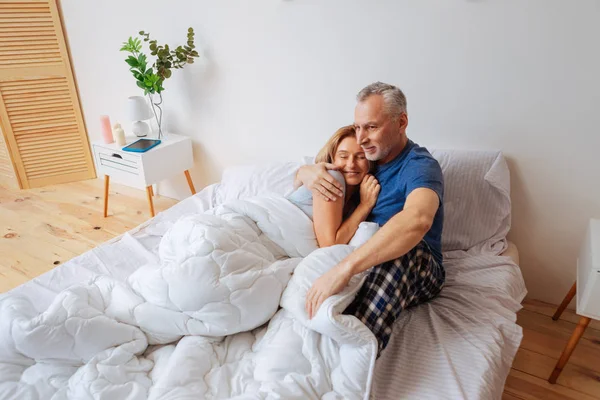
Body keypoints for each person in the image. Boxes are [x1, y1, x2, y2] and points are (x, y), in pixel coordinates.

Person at [298, 82, 446, 356]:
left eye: (372, 127)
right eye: (358, 127)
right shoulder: (366, 159)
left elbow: (417, 219)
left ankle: (353, 354)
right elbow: (325, 167)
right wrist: (306, 172)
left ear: (401, 122)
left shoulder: (420, 165)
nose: (362, 137)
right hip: (363, 256)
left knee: (402, 249)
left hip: (420, 264)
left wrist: (344, 269)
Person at [288, 125, 381, 247]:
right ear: (332, 158)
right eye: (343, 156)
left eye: (361, 157)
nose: (351, 164)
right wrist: (365, 206)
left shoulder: (354, 198)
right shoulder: (331, 178)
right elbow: (329, 245)